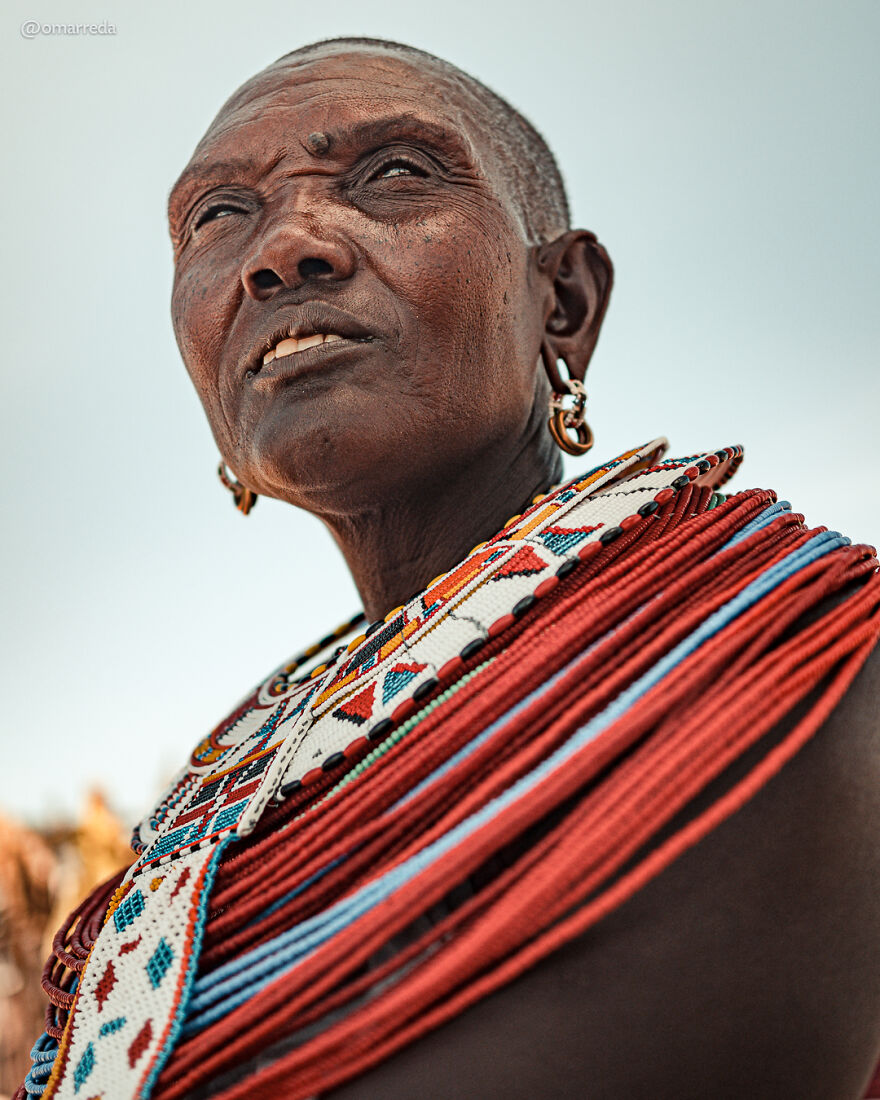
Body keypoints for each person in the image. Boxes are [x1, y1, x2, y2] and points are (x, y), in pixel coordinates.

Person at [19, 38, 880, 1100]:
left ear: (563, 302)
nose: (281, 249)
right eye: (217, 215)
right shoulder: (227, 794)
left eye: (392, 174)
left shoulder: (783, 635)